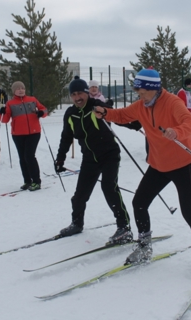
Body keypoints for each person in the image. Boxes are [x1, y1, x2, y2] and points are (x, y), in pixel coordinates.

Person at [94, 67, 191, 273]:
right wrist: (105, 112)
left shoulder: (172, 102)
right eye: (138, 91)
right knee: (139, 203)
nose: (139, 95)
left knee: (189, 210)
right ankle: (144, 247)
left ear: (153, 88)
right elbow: (123, 115)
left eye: (142, 91)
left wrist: (176, 131)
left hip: (182, 164)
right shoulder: (142, 105)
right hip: (159, 164)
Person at [54, 76, 132, 245]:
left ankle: (124, 227)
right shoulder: (71, 113)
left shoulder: (97, 107)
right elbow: (66, 137)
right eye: (73, 94)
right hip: (90, 158)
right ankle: (77, 223)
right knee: (79, 195)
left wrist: (138, 125)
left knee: (109, 187)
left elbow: (119, 117)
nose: (77, 97)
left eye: (80, 93)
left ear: (87, 92)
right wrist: (60, 158)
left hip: (109, 155)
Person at [1, 81, 47, 191]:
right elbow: (5, 120)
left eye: (22, 88)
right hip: (18, 134)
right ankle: (27, 181)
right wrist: (2, 112)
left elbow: (44, 109)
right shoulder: (10, 103)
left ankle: (36, 181)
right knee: (22, 158)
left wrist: (41, 113)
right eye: (18, 88)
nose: (21, 90)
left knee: (29, 156)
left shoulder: (32, 100)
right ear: (14, 91)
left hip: (34, 132)